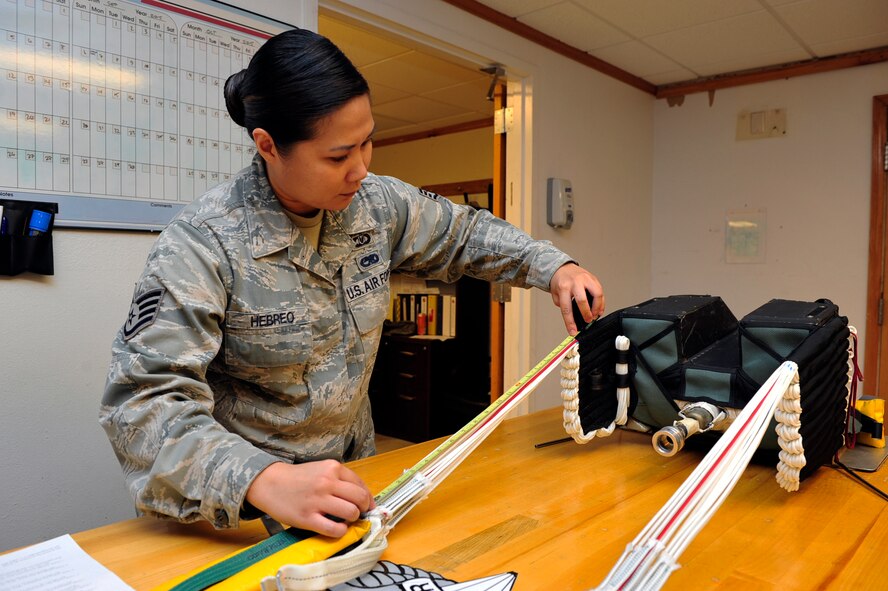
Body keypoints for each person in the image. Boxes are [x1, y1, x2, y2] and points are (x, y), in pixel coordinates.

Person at [99, 28, 605, 540]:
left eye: (368, 143)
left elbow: (463, 233)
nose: (361, 169)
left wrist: (553, 266)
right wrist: (262, 479)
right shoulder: (203, 243)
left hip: (358, 493)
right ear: (269, 146)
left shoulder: (376, 205)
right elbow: (143, 404)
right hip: (241, 515)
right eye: (338, 157)